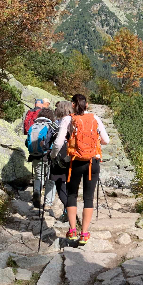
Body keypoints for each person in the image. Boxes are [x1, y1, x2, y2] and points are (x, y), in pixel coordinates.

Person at [60, 94, 109, 245]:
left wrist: (55, 155)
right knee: (88, 197)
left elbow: (58, 142)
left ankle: (72, 230)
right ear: (87, 105)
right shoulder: (95, 119)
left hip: (75, 162)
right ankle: (84, 233)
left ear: (72, 105)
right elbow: (106, 140)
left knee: (72, 194)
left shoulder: (68, 119)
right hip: (92, 162)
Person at [49, 101, 73, 220]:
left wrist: (51, 154)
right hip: (74, 155)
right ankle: (69, 211)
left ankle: (68, 209)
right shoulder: (76, 122)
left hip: (59, 155)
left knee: (60, 183)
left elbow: (50, 141)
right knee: (71, 184)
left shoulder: (56, 124)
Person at [30, 107, 56, 209]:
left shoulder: (33, 126)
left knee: (38, 177)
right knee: (50, 179)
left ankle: (37, 191)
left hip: (35, 156)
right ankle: (47, 203)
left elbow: (27, 143)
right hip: (49, 156)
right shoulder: (51, 126)